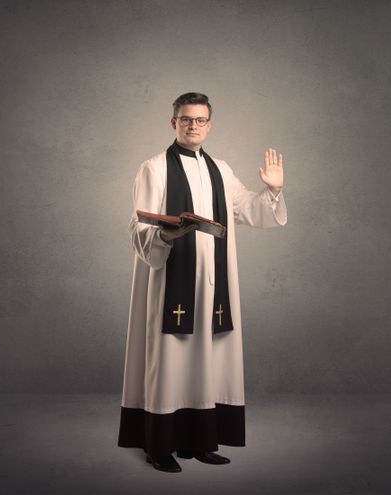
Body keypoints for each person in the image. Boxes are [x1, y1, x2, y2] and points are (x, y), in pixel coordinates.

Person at [117, 92, 287, 473]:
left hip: (213, 285)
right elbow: (138, 227)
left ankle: (200, 442)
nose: (192, 125)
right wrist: (163, 236)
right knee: (170, 358)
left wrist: (273, 190)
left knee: (207, 360)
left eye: (199, 120)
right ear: (173, 122)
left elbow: (247, 210)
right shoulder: (155, 168)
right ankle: (159, 447)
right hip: (171, 283)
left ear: (210, 125)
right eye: (185, 119)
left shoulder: (221, 170)